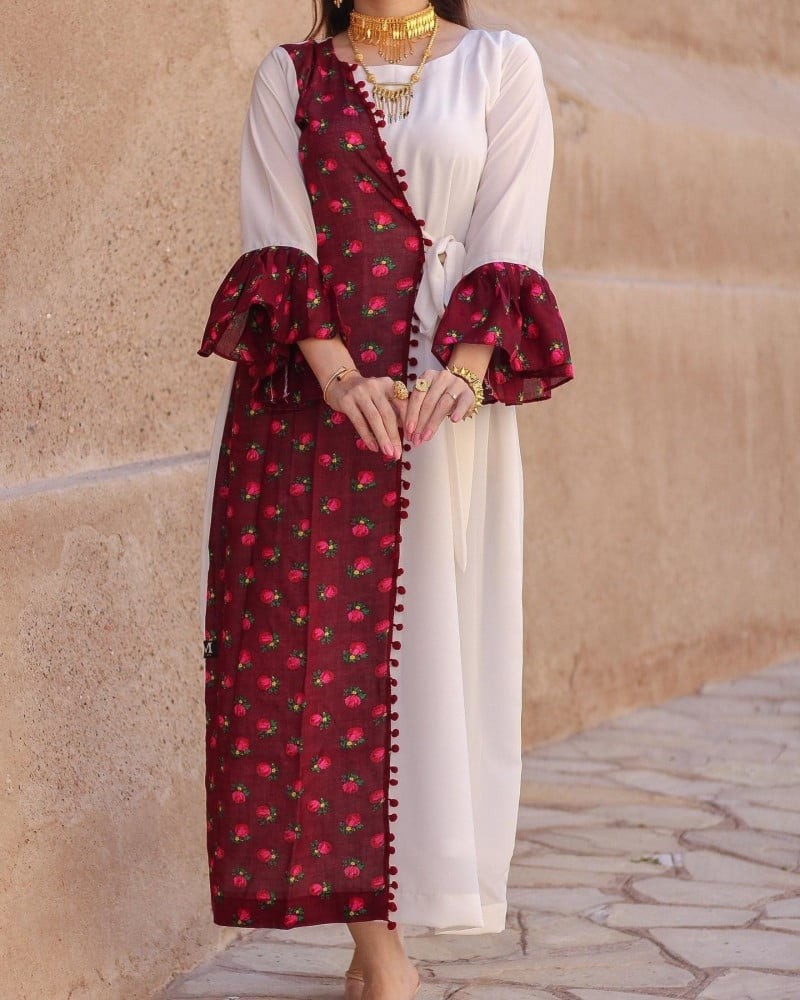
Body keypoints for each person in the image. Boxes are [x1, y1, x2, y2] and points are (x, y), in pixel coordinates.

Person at [197, 1, 574, 997]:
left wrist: (467, 368)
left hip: (442, 406)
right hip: (310, 408)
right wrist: (340, 380)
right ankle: (379, 952)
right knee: (305, 664)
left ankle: (386, 942)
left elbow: (508, 224)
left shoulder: (500, 65)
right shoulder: (290, 75)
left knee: (427, 665)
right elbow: (279, 237)